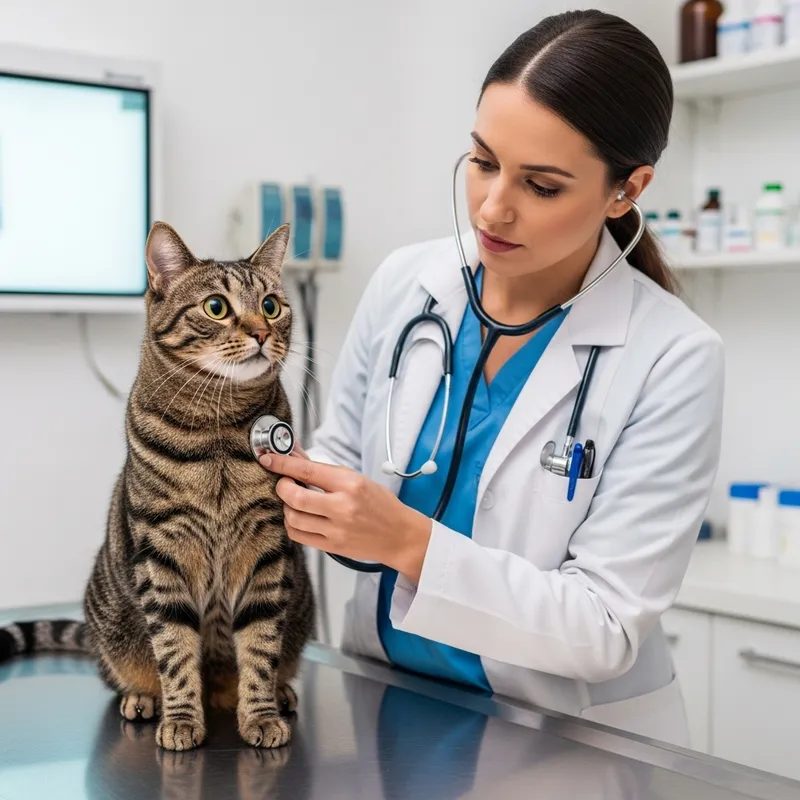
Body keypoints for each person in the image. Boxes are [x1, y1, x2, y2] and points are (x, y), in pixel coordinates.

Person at [260, 9, 725, 747]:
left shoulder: (673, 355)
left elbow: (603, 628)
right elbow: (338, 460)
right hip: (389, 701)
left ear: (626, 189)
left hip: (563, 740)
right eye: (482, 161)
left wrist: (406, 541)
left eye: (541, 185)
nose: (492, 206)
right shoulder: (407, 283)